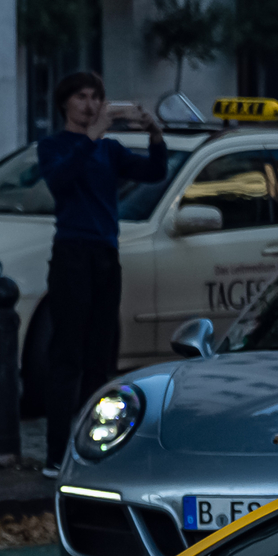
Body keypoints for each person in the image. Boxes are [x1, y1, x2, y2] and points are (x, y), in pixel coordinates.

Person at [38, 73, 169, 471]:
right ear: (65, 103)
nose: (91, 105)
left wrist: (155, 134)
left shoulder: (109, 150)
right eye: (82, 97)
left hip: (105, 257)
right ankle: (55, 454)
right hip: (72, 255)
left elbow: (155, 172)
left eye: (97, 98)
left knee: (100, 356)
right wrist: (89, 138)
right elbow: (60, 180)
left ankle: (93, 450)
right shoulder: (54, 146)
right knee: (67, 355)